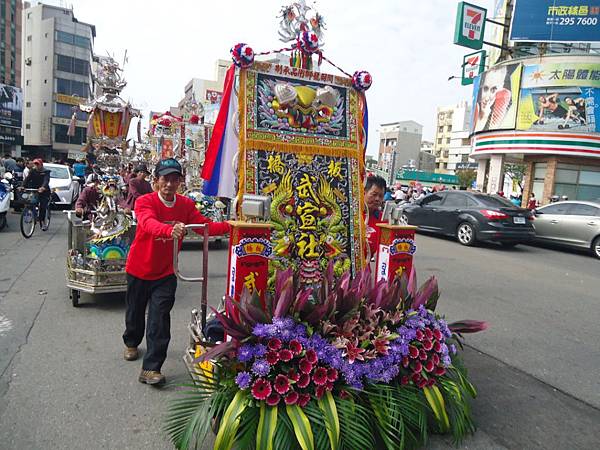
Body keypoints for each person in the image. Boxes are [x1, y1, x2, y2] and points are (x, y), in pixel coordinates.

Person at [122, 158, 230, 385]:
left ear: (180, 182)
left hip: (166, 272)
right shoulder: (144, 202)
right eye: (165, 179)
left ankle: (151, 369)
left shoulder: (186, 205)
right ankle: (131, 342)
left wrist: (233, 226)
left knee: (159, 319)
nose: (170, 184)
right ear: (156, 181)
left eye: (174, 179)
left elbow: (204, 227)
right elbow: (148, 224)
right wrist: (169, 230)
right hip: (139, 268)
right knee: (135, 312)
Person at [21, 158, 50, 223]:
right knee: (30, 203)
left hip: (44, 191)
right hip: (34, 189)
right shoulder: (32, 171)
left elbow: (46, 180)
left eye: (38, 164)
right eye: (35, 164)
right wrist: (22, 186)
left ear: (41, 165)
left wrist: (43, 187)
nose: (36, 166)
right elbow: (27, 179)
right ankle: (32, 216)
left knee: (43, 205)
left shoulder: (46, 171)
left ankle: (42, 220)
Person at [364, 175, 386, 258]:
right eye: (374, 194)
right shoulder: (352, 215)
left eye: (381, 196)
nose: (377, 199)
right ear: (364, 192)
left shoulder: (384, 221)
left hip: (365, 268)